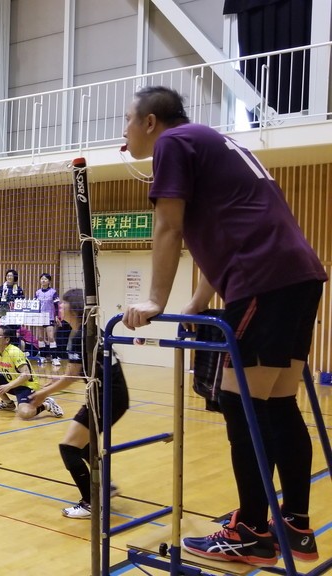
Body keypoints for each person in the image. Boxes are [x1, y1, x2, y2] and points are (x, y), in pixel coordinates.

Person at [121, 86, 326, 565]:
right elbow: (224, 241)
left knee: (241, 403)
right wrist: (195, 305)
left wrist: (155, 300)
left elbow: (168, 226)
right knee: (277, 403)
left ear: (150, 122)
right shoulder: (210, 141)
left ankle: (250, 531)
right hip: (298, 276)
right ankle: (295, 525)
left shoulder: (174, 144)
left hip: (262, 279)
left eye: (127, 120)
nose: (124, 132)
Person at [30, 289, 129, 519]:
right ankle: (106, 486)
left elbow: (72, 376)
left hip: (105, 397)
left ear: (73, 308)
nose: (59, 308)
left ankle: (91, 502)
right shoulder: (90, 330)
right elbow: (81, 370)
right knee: (84, 445)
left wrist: (43, 394)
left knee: (68, 448)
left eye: (62, 304)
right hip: (112, 395)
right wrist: (56, 381)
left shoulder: (81, 335)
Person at [0, 327, 63, 420]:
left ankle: (47, 404)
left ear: (7, 340)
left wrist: (8, 386)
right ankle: (8, 403)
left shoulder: (14, 352)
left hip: (26, 386)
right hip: (12, 382)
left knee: (25, 414)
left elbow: (26, 374)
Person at [33, 273, 62, 366]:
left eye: (45, 279)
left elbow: (57, 305)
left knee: (51, 337)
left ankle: (54, 358)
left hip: (50, 317)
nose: (43, 280)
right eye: (42, 279)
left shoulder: (53, 292)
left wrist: (57, 316)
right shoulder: (37, 292)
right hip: (40, 317)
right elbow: (34, 305)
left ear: (49, 281)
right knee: (40, 337)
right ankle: (42, 356)